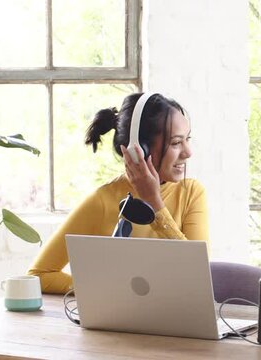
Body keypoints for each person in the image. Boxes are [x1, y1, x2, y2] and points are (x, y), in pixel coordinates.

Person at [28, 93, 208, 294]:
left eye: (187, 139)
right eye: (176, 143)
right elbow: (40, 274)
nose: (188, 152)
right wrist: (102, 291)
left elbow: (198, 275)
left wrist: (154, 202)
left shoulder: (191, 193)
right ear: (140, 149)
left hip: (179, 321)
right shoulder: (103, 200)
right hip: (118, 323)